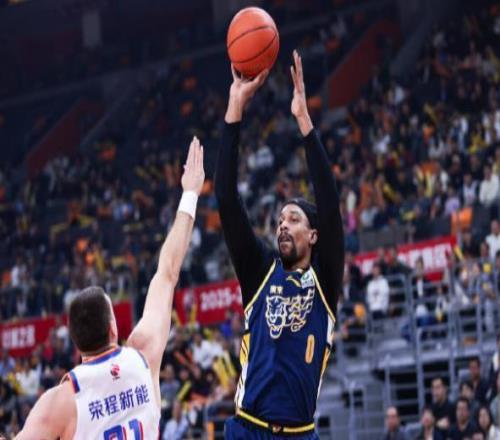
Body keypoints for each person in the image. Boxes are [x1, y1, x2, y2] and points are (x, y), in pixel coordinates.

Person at [16, 137, 205, 439]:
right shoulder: (143, 354)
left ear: (76, 343)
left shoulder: (59, 403)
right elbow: (168, 272)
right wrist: (190, 194)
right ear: (113, 328)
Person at [216, 51, 344, 438]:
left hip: (300, 433)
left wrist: (304, 121)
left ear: (314, 235)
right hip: (249, 427)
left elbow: (330, 205)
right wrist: (235, 109)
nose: (283, 225)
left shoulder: (324, 280)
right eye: (280, 220)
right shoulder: (260, 271)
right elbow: (226, 199)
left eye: (294, 219)